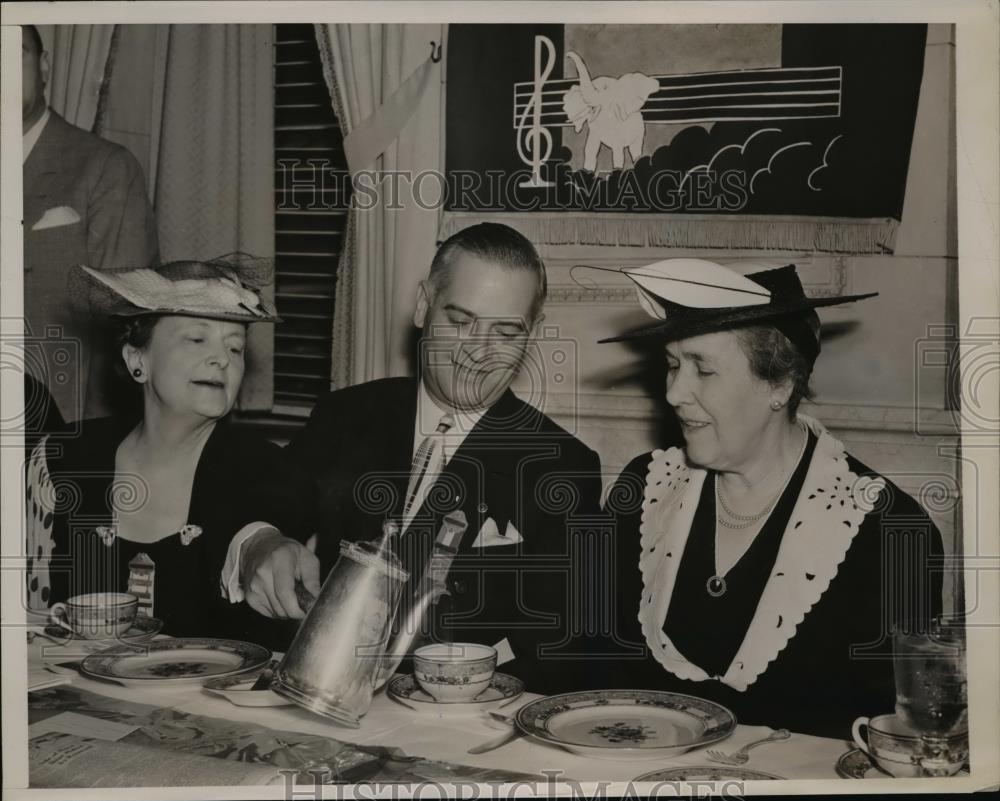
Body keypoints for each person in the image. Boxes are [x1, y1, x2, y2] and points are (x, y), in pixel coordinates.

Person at [223, 223, 604, 693]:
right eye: (461, 322)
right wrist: (259, 541)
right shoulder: (346, 414)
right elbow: (264, 505)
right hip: (319, 690)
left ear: (533, 334)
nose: (479, 354)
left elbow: (559, 655)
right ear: (424, 306)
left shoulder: (565, 466)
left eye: (505, 332)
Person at [595, 259, 944, 739]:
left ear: (779, 384)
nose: (675, 391)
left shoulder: (890, 531)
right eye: (674, 365)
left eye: (704, 369)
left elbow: (903, 732)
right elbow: (591, 676)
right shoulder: (642, 492)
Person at [24, 256, 315, 643]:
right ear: (137, 359)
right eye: (197, 339)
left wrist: (267, 548)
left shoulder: (266, 468)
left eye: (236, 348)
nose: (221, 360)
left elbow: (263, 537)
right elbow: (26, 619)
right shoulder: (63, 457)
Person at [22, 24, 159, 423]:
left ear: (45, 66)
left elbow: (123, 325)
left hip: (58, 426)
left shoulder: (105, 168)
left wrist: (93, 453)